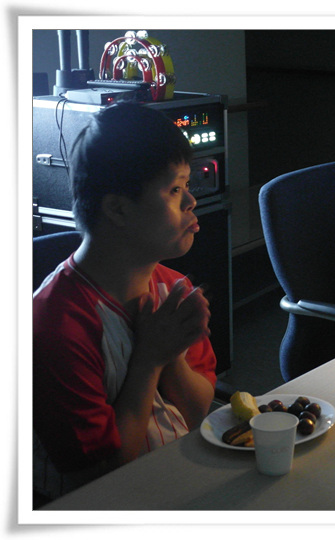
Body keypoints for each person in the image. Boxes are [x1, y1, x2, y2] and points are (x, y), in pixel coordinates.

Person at [33, 103, 216, 502]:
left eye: (187, 186)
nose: (191, 201)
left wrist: (173, 356)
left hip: (174, 482)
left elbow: (198, 412)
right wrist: (149, 359)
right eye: (174, 190)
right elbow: (101, 476)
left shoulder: (174, 288)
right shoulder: (55, 323)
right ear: (117, 209)